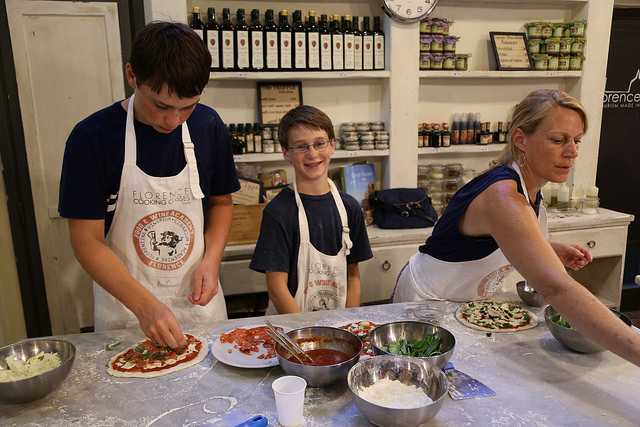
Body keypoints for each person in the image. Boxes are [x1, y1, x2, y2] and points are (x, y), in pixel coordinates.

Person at [394, 89, 640, 366]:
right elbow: (557, 289)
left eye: (576, 140)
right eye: (558, 140)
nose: (572, 152)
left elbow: (496, 239)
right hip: (429, 304)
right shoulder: (503, 196)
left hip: (464, 302)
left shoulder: (529, 186)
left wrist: (547, 249)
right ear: (521, 139)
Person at [58, 22, 239, 349]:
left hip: (199, 307)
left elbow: (221, 204)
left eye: (188, 107)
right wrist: (144, 306)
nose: (173, 121)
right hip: (126, 313)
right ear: (132, 75)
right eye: (161, 106)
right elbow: (87, 241)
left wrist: (212, 260)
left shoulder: (208, 125)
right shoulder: (92, 138)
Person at [250, 106, 373, 314]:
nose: (312, 154)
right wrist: (306, 334)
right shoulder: (278, 212)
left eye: (319, 143)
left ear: (332, 145)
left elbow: (353, 275)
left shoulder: (349, 207)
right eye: (301, 146)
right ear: (286, 153)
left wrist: (349, 322)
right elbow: (276, 287)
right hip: (291, 328)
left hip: (338, 324)